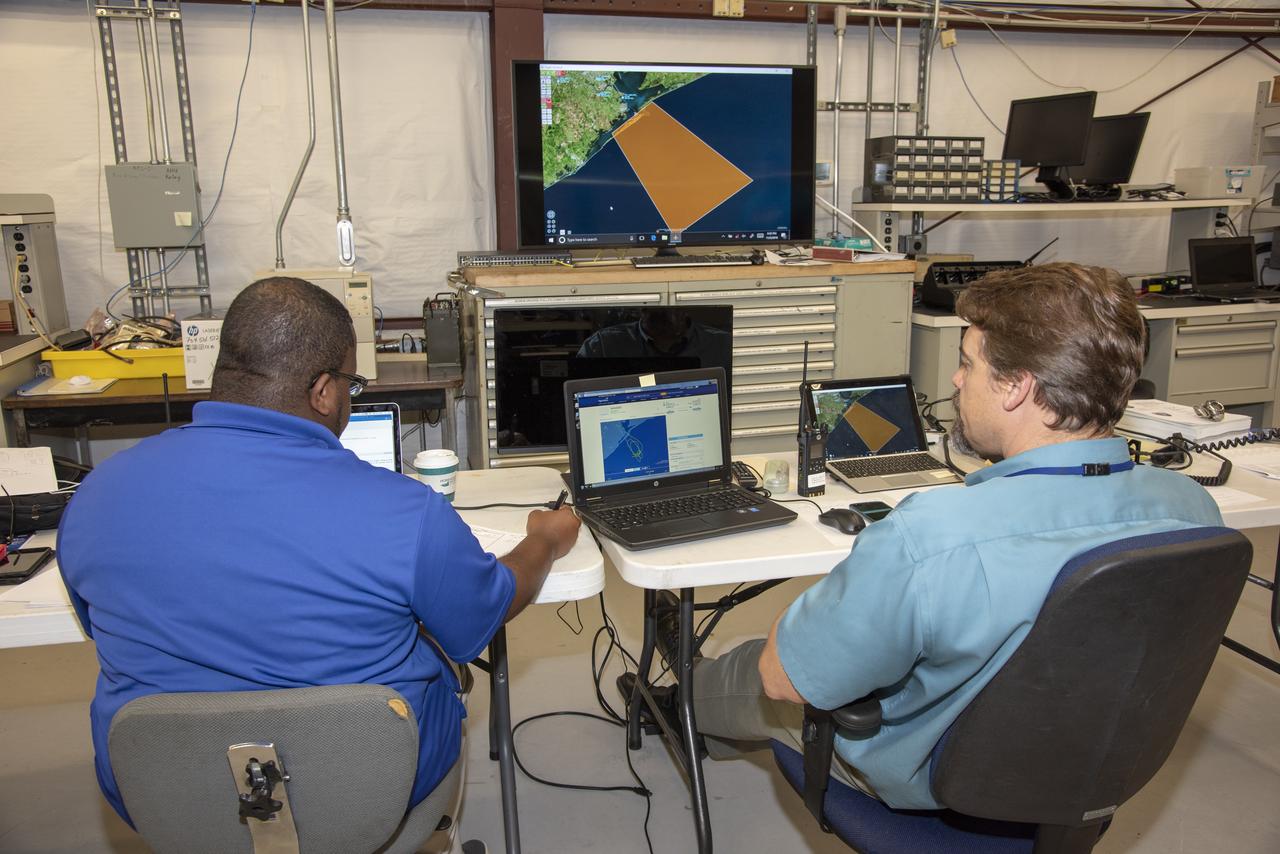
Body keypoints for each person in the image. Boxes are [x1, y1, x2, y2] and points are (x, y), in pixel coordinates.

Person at [634, 262, 1224, 809]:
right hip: (1093, 763)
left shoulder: (931, 534)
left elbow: (783, 678)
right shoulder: (1194, 508)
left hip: (930, 776)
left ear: (1017, 387)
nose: (955, 378)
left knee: (753, 670)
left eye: (968, 363)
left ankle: (681, 699)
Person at [59, 276, 580, 824]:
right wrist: (543, 538)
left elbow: (99, 624)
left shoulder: (98, 492)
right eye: (351, 386)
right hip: (370, 787)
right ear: (324, 390)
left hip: (165, 793)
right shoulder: (404, 512)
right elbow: (485, 610)